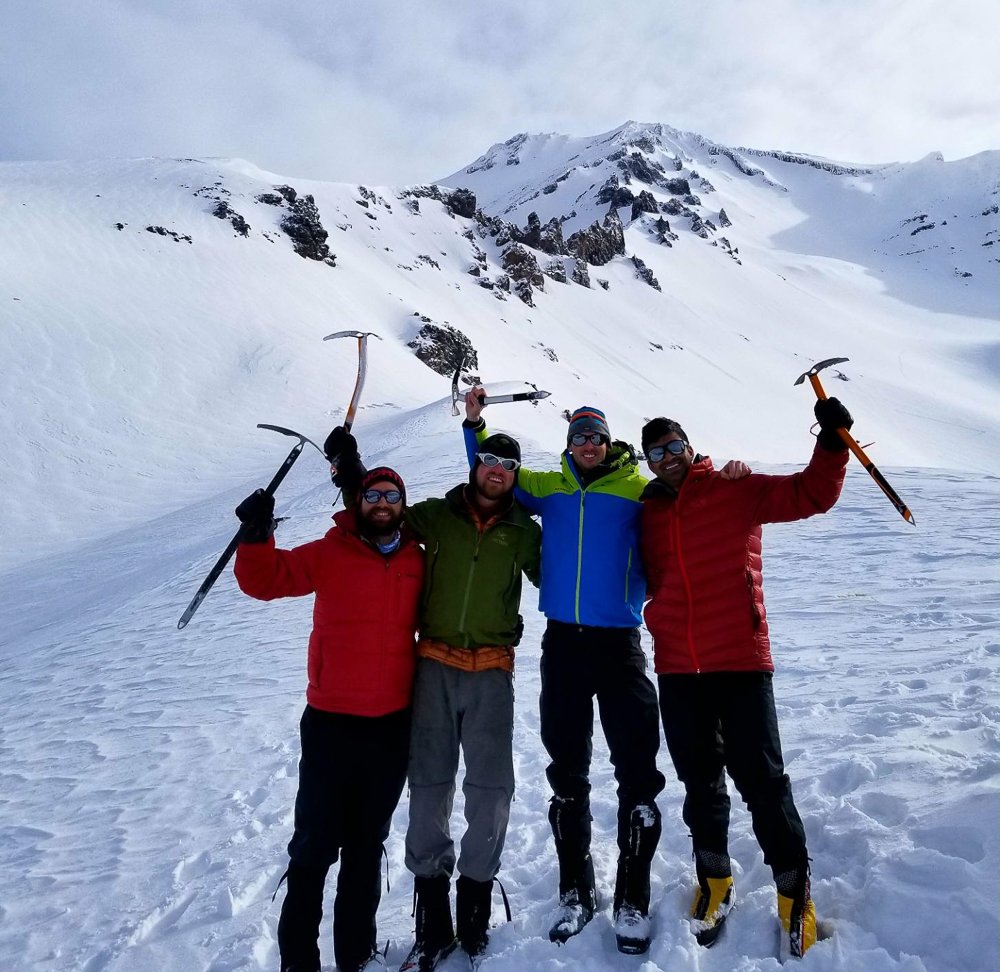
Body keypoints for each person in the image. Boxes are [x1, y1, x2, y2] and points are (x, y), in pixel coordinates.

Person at [638, 397, 853, 959]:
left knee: (763, 781)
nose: (667, 458)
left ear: (691, 446)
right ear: (648, 461)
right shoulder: (648, 510)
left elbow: (811, 494)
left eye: (674, 446)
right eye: (656, 452)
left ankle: (793, 895)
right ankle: (714, 882)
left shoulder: (734, 489)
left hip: (739, 660)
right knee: (700, 783)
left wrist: (831, 442)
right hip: (679, 668)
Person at [325, 426, 541, 972]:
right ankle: (434, 920)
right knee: (429, 789)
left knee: (491, 792)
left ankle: (473, 908)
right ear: (475, 466)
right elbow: (378, 511)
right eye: (488, 458)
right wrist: (350, 468)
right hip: (434, 667)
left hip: (492, 673)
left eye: (507, 464)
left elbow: (564, 576)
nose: (496, 469)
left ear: (515, 476)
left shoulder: (525, 532)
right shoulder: (434, 516)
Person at [464, 394, 668, 955]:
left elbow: (684, 499)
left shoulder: (637, 488)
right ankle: (576, 892)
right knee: (567, 771)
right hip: (564, 644)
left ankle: (633, 898)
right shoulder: (546, 487)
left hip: (619, 644)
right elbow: (491, 472)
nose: (587, 445)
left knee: (637, 769)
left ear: (608, 442)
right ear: (569, 444)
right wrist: (475, 425)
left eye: (596, 437)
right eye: (579, 437)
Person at [233, 468, 424, 972]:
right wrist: (256, 536)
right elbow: (266, 579)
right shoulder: (330, 551)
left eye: (392, 495)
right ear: (358, 501)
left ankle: (355, 959)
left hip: (390, 727)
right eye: (373, 495)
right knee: (314, 849)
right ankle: (299, 962)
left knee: (365, 849)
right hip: (331, 723)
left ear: (403, 503)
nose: (382, 502)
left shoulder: (418, 560)